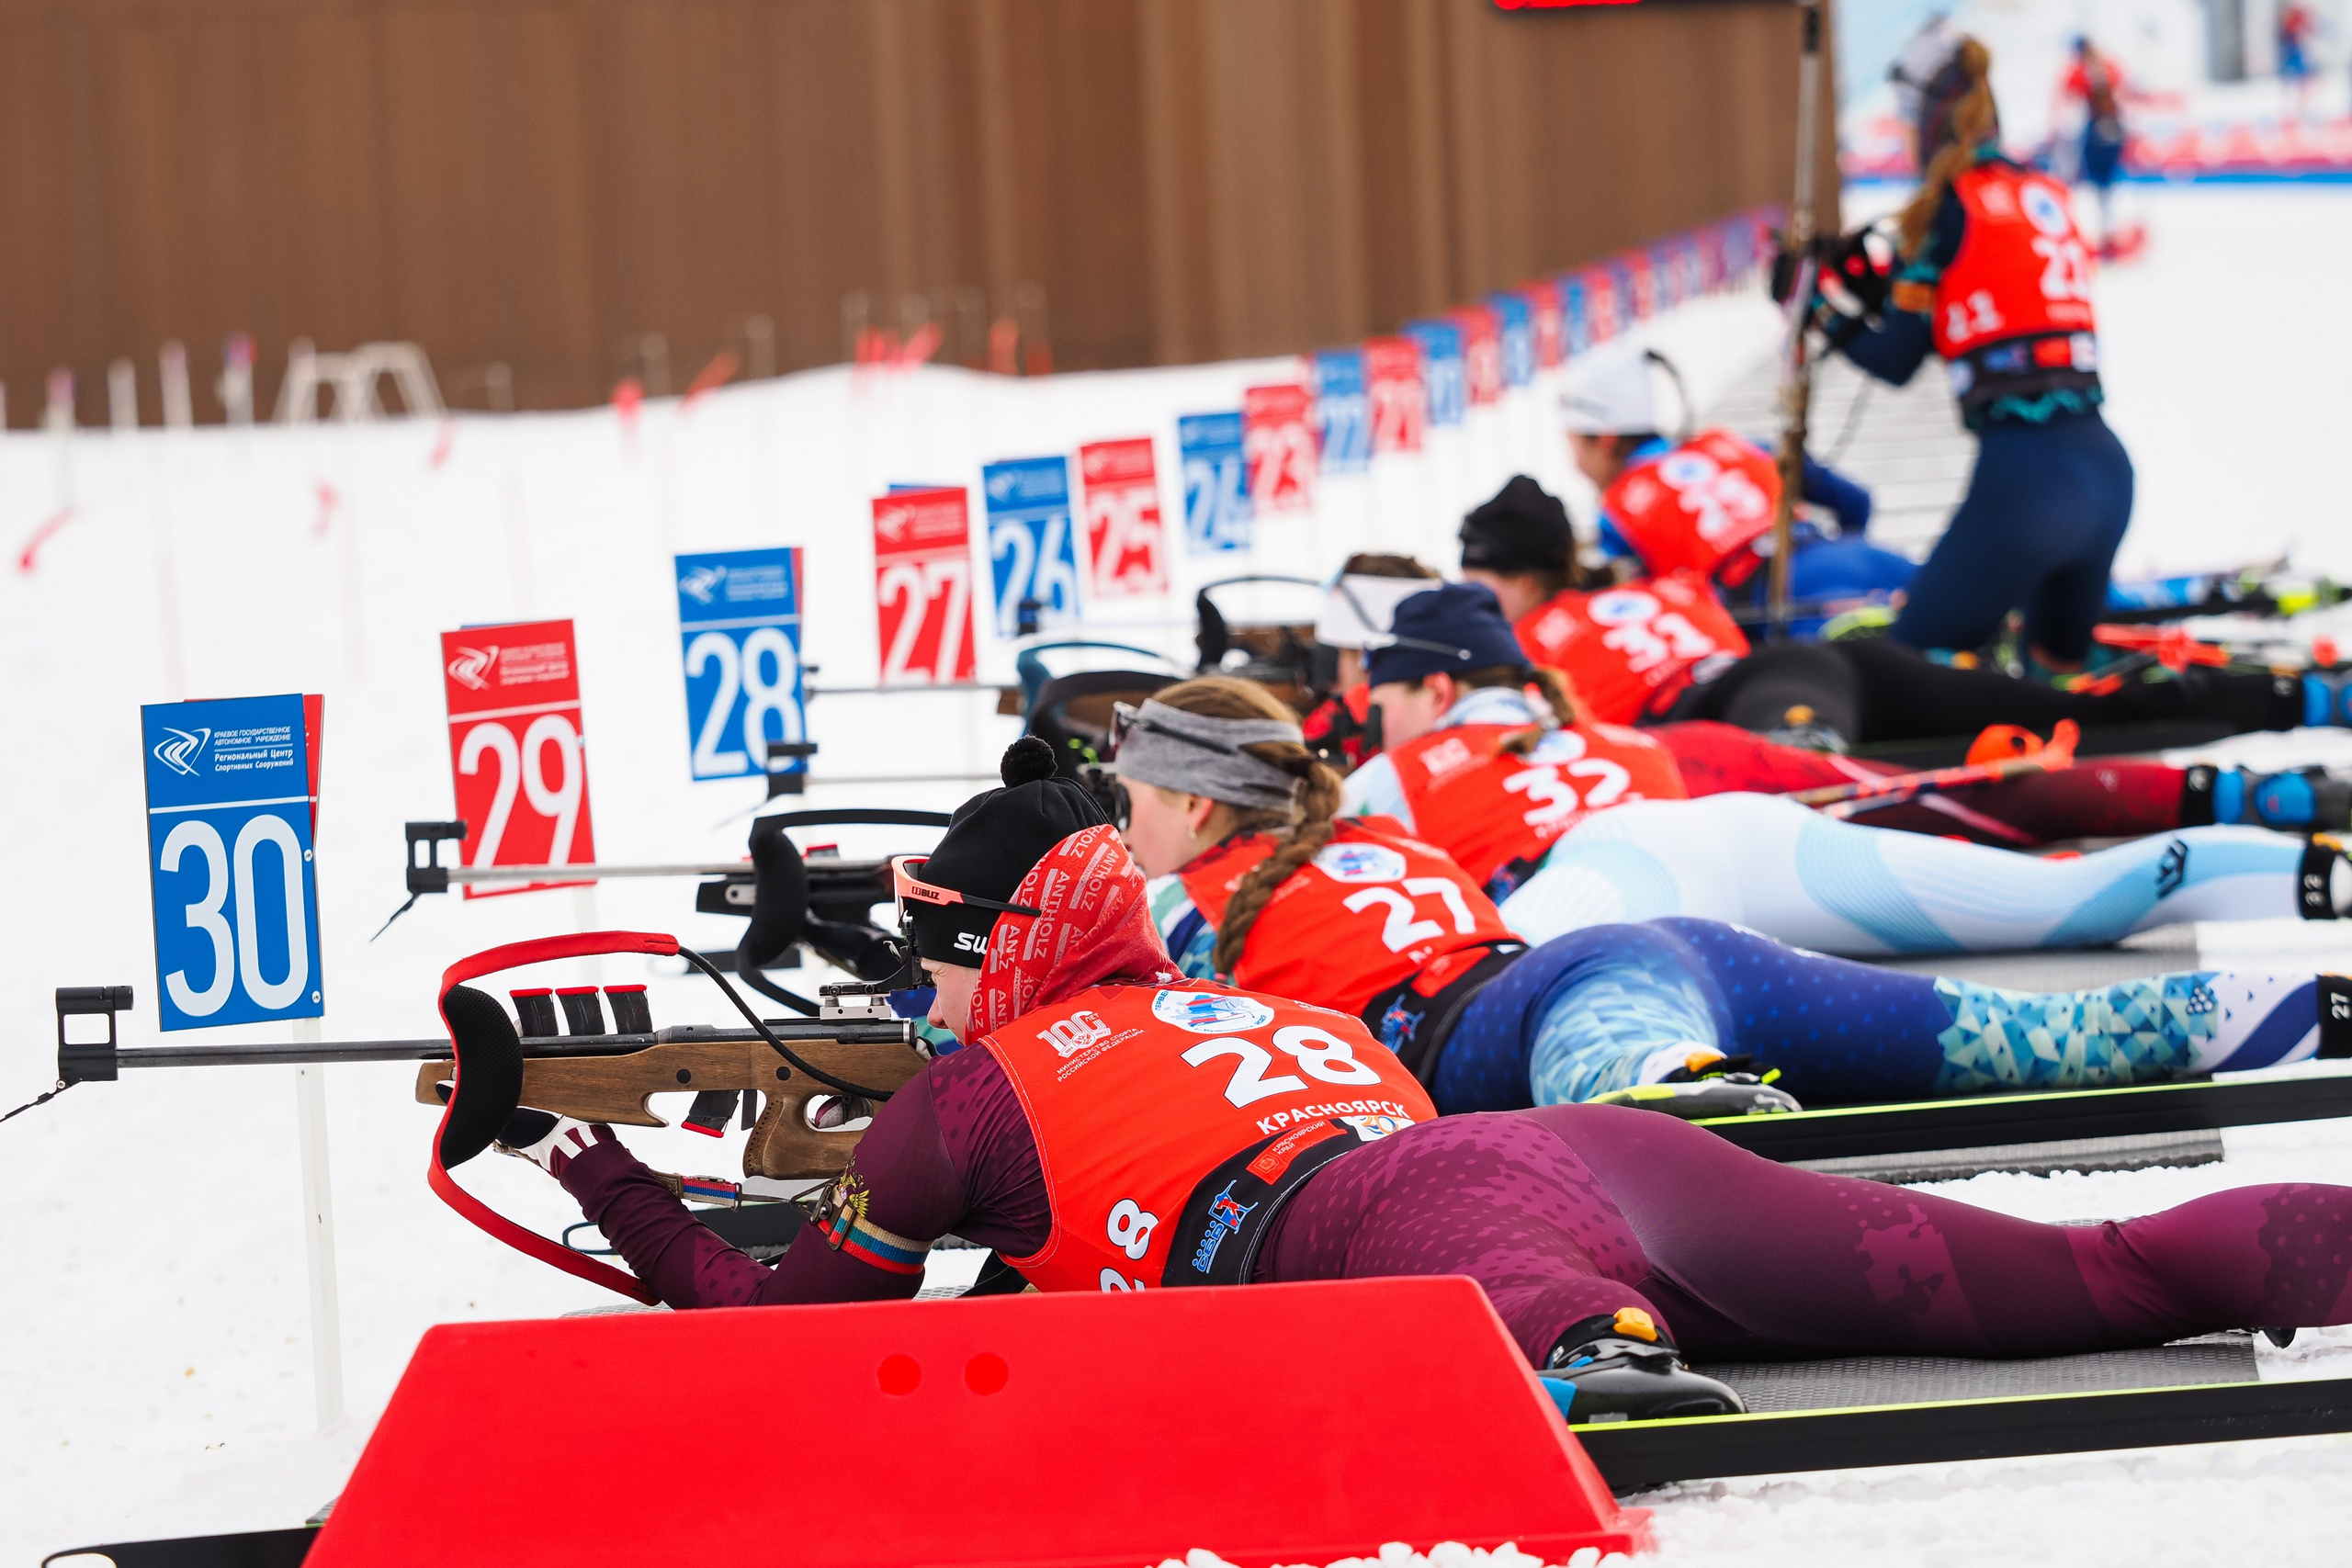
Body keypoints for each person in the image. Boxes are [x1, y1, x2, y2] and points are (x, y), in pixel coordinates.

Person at [513, 738, 2352, 1416]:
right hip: (1564, 1146)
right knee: (2100, 1270)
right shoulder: (1227, 994)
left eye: (928, 941)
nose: (910, 979)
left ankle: (1588, 1356)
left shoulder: (960, 1101)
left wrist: (590, 1166)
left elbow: (773, 1323)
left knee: (1557, 1347)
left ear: (996, 941)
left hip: (1415, 1213)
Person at [1113, 676, 2346, 1117]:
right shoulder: (1372, 820)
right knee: (2032, 1030)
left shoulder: (1189, 905)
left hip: (1546, 992)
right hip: (1660, 933)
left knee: (1615, 1066)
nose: (1127, 820)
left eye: (1137, 798)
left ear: (1206, 808)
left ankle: (1667, 1096)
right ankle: (2299, 999)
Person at [1342, 582, 2352, 954]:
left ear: (1432, 694)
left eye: (1378, 701)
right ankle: (2302, 846)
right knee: (2035, 865)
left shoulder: (1402, 772)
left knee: (1480, 1001)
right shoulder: (1630, 734)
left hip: (1616, 886)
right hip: (1739, 821)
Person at [1453, 473, 2333, 748]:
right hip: (1826, 667)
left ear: (1519, 578)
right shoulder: (1665, 587)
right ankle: (2305, 697)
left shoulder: (1523, 645)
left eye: (1476, 576)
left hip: (1748, 699)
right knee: (2079, 715)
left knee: (1821, 782)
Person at [1832, 32, 2130, 672]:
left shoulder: (1944, 204)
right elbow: (1992, 310)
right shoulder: (2043, 189)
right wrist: (1875, 290)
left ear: (1926, 119)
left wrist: (1820, 309)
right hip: (2104, 473)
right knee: (2056, 677)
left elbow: (1896, 359)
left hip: (2026, 486)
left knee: (1906, 672)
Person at [1552, 354, 1916, 628]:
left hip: (1789, 604)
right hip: (1867, 557)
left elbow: (1646, 618)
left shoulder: (1615, 515)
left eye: (1573, 447)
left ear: (1605, 440)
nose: (1574, 464)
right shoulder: (1736, 444)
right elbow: (1857, 502)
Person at [2057, 36, 2129, 246]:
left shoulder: (2082, 70)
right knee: (2105, 183)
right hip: (2112, 127)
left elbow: (2069, 91)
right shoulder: (2109, 65)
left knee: (2096, 181)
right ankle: (2107, 228)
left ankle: (2104, 230)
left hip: (2097, 127)